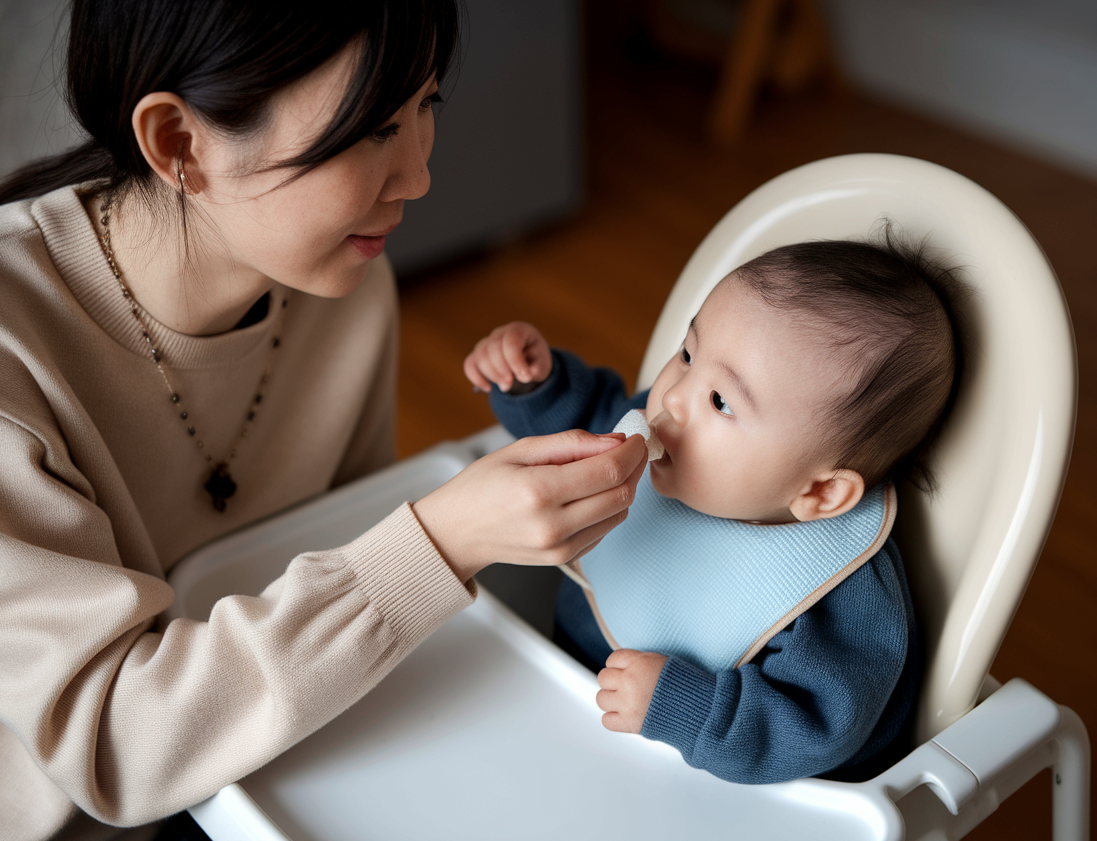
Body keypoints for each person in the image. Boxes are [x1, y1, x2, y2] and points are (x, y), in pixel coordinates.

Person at [0, 2, 650, 839]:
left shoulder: (336, 285)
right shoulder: (16, 359)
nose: (417, 175)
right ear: (178, 143)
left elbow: (333, 548)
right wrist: (440, 541)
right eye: (373, 129)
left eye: (426, 108)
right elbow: (116, 747)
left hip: (267, 772)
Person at [465, 233, 966, 784]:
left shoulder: (835, 594)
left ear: (819, 493)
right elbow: (581, 426)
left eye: (720, 401)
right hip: (555, 704)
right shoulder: (653, 436)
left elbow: (818, 723)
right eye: (686, 354)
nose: (673, 397)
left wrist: (687, 707)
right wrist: (536, 384)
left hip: (705, 782)